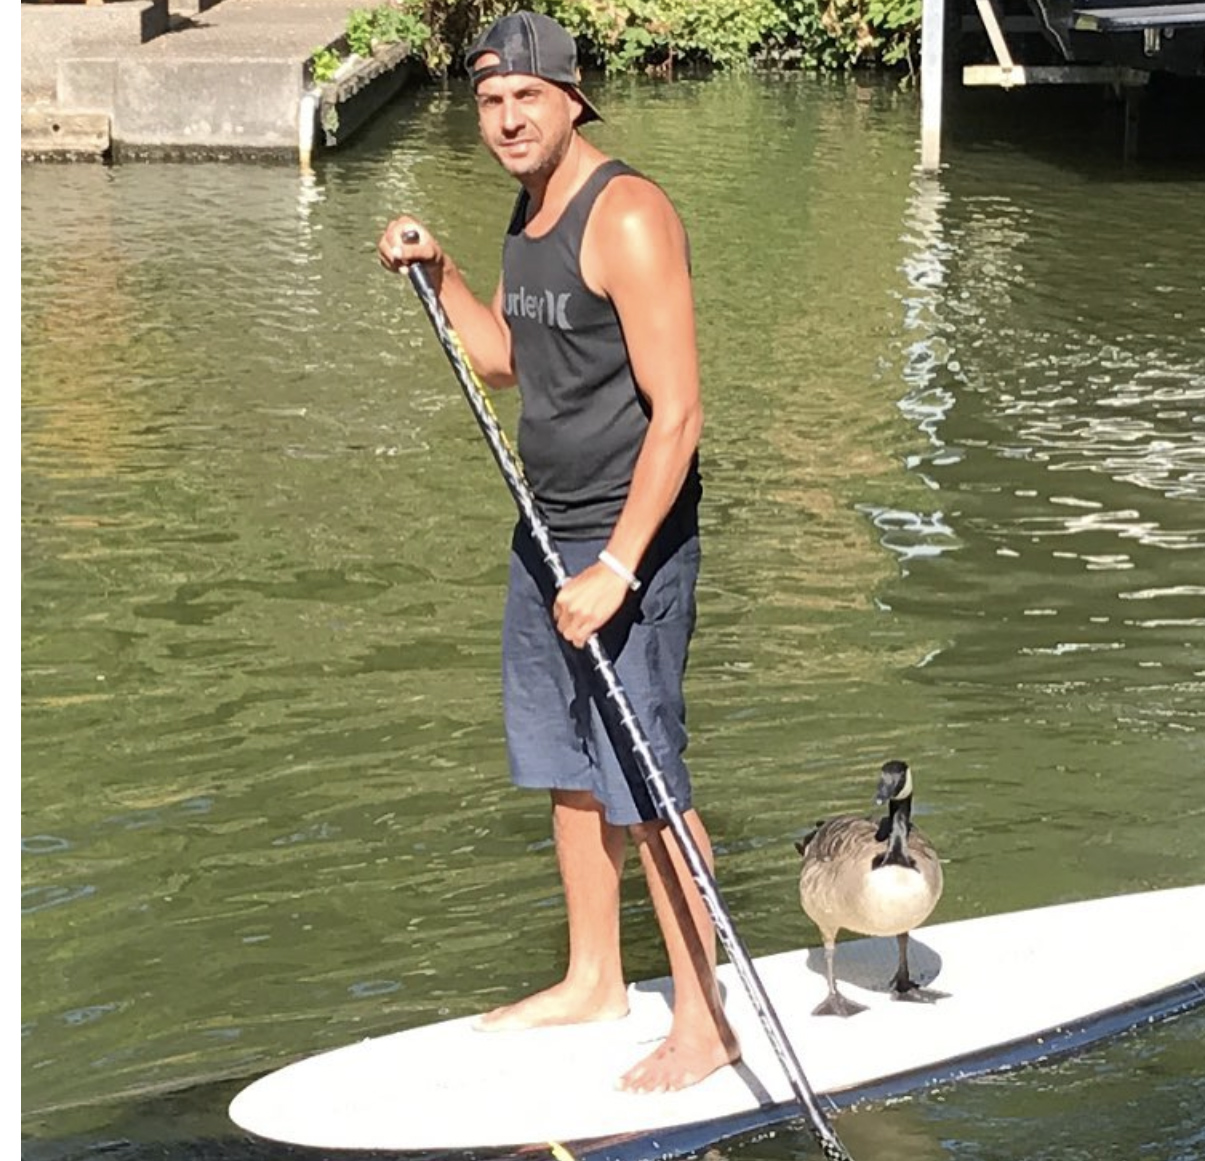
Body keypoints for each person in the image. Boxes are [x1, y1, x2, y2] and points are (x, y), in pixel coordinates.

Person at [377, 9, 738, 1094]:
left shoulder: (623, 215)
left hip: (629, 542)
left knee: (647, 782)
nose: (503, 119)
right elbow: (506, 365)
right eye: (487, 102)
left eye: (523, 98)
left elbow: (677, 415)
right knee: (565, 773)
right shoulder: (526, 217)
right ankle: (592, 978)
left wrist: (617, 568)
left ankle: (705, 1021)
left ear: (571, 96)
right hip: (547, 531)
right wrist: (439, 272)